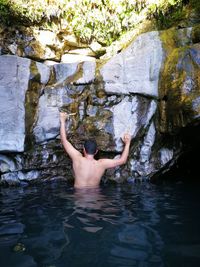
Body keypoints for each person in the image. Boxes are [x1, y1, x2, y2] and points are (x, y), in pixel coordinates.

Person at [59, 112, 131, 189]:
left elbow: (64, 140)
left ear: (84, 150)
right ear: (96, 151)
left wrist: (62, 121)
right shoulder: (101, 164)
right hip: (95, 197)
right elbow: (122, 160)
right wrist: (128, 143)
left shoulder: (77, 159)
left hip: (79, 197)